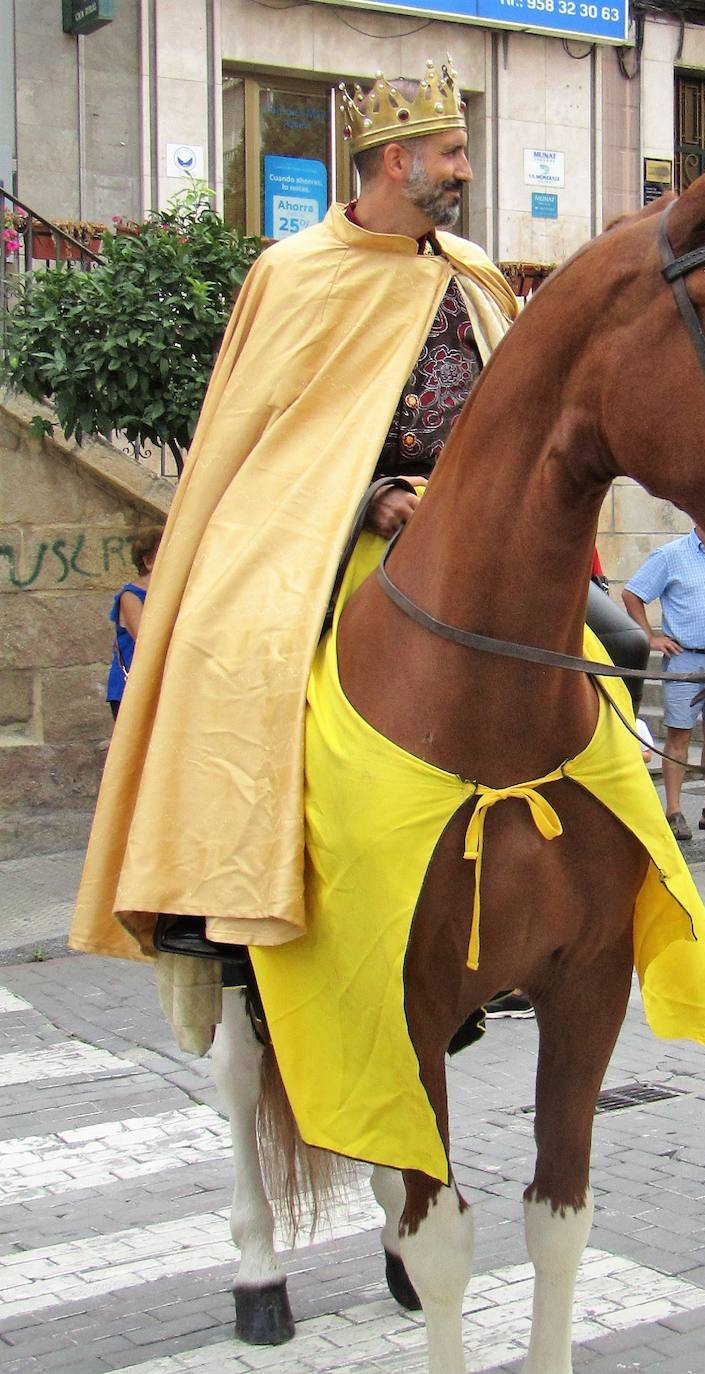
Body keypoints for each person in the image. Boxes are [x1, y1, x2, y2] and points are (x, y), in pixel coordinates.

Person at [70, 62, 522, 960]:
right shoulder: (296, 271)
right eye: (453, 152)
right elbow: (261, 438)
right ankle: (212, 890)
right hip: (335, 523)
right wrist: (367, 495)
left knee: (611, 648)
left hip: (474, 523)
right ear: (395, 161)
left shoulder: (473, 273)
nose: (467, 170)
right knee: (225, 647)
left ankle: (567, 902)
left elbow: (513, 407)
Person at [622, 525, 705, 842]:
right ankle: (673, 810)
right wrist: (650, 637)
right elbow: (632, 594)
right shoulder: (672, 555)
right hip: (686, 659)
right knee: (679, 736)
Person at [105, 527, 162, 720]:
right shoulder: (130, 596)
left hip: (157, 688)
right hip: (131, 689)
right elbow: (145, 639)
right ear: (148, 561)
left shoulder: (166, 595)